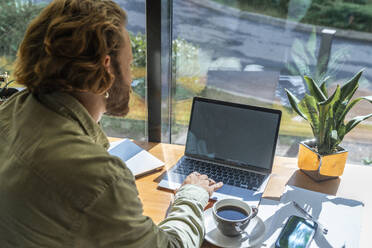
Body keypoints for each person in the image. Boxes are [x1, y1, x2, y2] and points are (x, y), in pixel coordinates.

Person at [0, 0, 223, 247]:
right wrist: (192, 196)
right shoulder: (98, 178)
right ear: (107, 68)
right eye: (129, 64)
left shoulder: (11, 109)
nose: (131, 79)